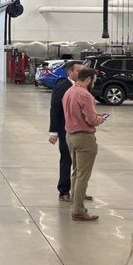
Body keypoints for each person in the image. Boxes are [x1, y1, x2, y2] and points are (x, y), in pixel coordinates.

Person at [63, 67, 108, 222]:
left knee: (76, 172)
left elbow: (77, 113)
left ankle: (75, 202)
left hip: (70, 135)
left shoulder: (69, 92)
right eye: (94, 80)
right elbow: (90, 120)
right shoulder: (85, 95)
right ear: (89, 80)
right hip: (84, 138)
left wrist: (94, 115)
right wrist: (100, 119)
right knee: (83, 175)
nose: (94, 83)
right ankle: (78, 210)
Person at [48, 61, 80, 200]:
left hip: (79, 131)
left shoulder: (83, 87)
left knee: (79, 162)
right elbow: (55, 110)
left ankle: (79, 190)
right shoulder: (62, 87)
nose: (81, 73)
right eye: (78, 71)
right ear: (70, 72)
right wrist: (53, 132)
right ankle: (64, 191)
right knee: (67, 160)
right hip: (65, 130)